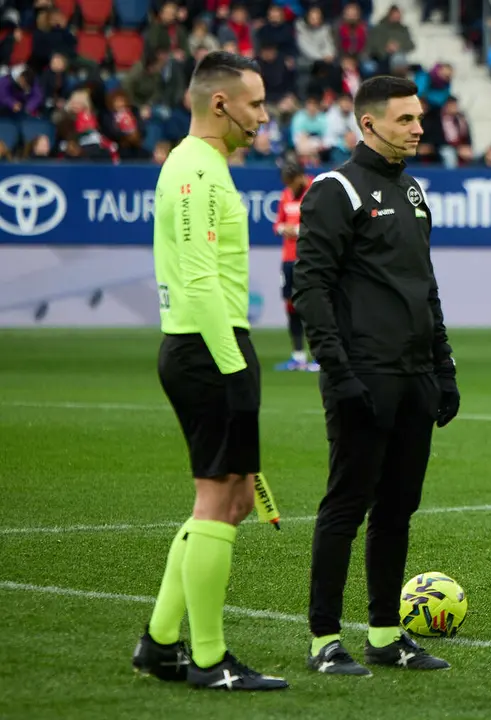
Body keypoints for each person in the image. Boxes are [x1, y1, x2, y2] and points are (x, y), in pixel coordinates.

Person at [293, 76, 461, 676]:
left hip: (415, 377)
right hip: (364, 374)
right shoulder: (334, 189)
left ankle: (386, 637)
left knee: (397, 510)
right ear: (368, 124)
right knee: (347, 505)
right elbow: (308, 286)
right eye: (405, 119)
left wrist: (444, 367)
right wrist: (337, 372)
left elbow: (426, 287)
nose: (419, 127)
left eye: (419, 117)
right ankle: (323, 640)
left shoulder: (413, 192)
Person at [132, 51, 286, 691]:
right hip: (207, 349)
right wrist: (235, 372)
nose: (263, 115)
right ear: (219, 103)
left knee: (233, 498)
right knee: (219, 501)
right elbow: (197, 282)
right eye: (255, 104)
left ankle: (162, 643)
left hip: (209, 347)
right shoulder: (196, 169)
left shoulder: (204, 165)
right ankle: (208, 659)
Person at [274, 159, 319, 372]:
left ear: (301, 177)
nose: (290, 186)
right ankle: (298, 356)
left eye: (292, 182)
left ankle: (320, 356)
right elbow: (278, 224)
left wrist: (299, 231)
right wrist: (284, 229)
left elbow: (321, 223)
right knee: (291, 306)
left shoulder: (315, 191)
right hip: (289, 258)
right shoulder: (285, 195)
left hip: (309, 258)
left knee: (313, 305)